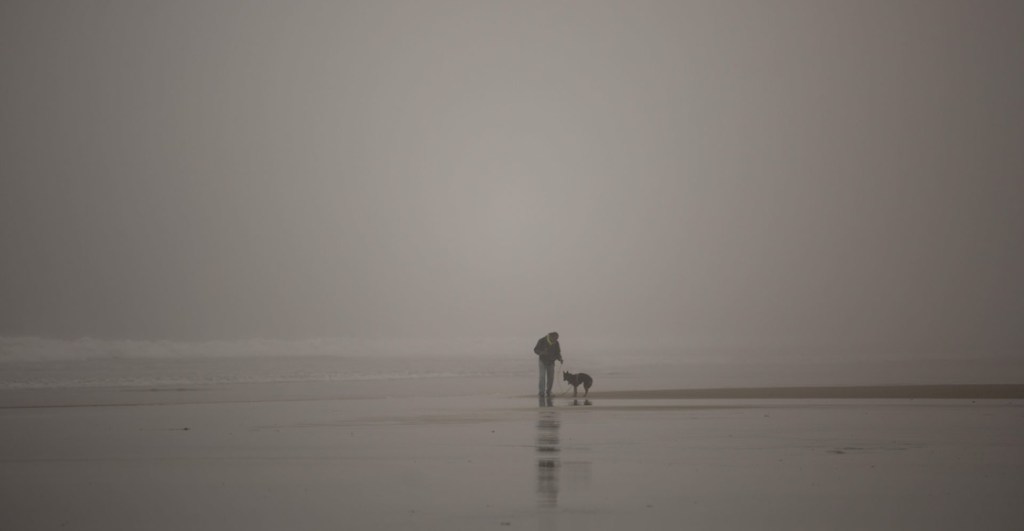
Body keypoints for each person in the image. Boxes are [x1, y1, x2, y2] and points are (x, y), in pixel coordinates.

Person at [533, 331, 563, 397]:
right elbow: (535, 350)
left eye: (557, 339)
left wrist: (560, 358)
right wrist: (541, 353)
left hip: (551, 362)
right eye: (555, 339)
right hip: (542, 361)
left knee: (551, 377)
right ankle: (541, 392)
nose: (556, 340)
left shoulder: (556, 343)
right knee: (542, 377)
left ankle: (549, 391)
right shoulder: (542, 340)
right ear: (550, 337)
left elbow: (558, 353)